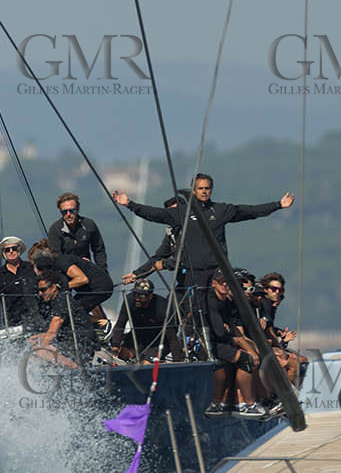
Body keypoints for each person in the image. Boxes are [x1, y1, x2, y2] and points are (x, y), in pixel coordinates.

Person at [112, 174, 294, 343]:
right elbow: (156, 214)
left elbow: (250, 211)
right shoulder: (182, 213)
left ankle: (224, 341)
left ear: (211, 190)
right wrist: (130, 204)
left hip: (217, 272)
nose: (204, 191)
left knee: (216, 308)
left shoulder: (221, 210)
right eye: (200, 188)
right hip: (194, 273)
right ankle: (192, 345)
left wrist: (278, 204)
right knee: (193, 311)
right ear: (194, 191)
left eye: (207, 188)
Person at [30, 240, 114, 366]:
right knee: (73, 310)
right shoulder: (54, 269)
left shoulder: (61, 261)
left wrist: (60, 287)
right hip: (88, 290)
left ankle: (101, 324)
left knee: (73, 308)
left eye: (36, 266)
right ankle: (97, 326)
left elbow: (82, 279)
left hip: (100, 286)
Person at [203, 269, 266, 417]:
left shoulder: (225, 302)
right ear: (214, 283)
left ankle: (255, 400)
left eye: (228, 282)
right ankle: (246, 404)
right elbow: (220, 332)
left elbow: (232, 330)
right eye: (222, 282)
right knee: (247, 360)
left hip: (221, 342)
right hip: (210, 344)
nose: (225, 285)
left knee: (252, 356)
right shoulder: (211, 301)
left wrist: (251, 349)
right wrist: (233, 337)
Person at [110, 279, 184, 362]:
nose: (137, 299)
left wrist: (177, 361)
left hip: (159, 339)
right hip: (138, 334)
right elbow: (120, 325)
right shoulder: (129, 300)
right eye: (136, 294)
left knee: (146, 363)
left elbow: (172, 338)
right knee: (122, 355)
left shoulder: (163, 307)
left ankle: (159, 362)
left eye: (142, 296)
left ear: (150, 296)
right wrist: (115, 346)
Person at [259, 272, 307, 386]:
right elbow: (268, 332)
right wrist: (283, 343)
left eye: (280, 291)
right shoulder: (263, 304)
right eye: (273, 289)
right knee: (292, 363)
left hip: (270, 346)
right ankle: (295, 393)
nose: (277, 293)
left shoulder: (270, 307)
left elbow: (270, 329)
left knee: (303, 360)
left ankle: (304, 391)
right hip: (262, 348)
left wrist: (279, 333)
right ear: (265, 290)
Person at [0, 236, 39, 329]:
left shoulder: (31, 268)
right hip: (13, 322)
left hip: (35, 318)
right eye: (7, 250)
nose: (11, 251)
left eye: (14, 248)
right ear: (4, 253)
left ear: (19, 250)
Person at [46, 193, 108, 272]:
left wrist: (102, 270)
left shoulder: (88, 225)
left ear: (78, 209)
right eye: (64, 212)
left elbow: (99, 249)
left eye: (72, 211)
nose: (68, 214)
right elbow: (56, 256)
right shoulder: (55, 229)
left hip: (87, 269)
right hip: (66, 271)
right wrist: (77, 263)